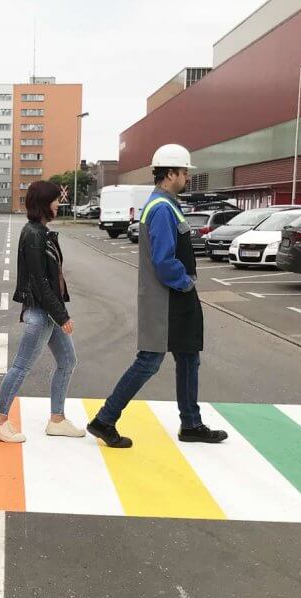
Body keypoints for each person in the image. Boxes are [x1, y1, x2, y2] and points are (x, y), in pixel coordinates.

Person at [87, 145, 228, 448]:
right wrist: (186, 283)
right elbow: (164, 261)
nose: (187, 177)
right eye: (184, 172)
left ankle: (191, 423)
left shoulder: (164, 204)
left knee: (189, 357)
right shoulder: (162, 208)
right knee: (149, 361)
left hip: (172, 298)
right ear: (171, 173)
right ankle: (105, 419)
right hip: (168, 298)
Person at [0, 181, 84, 443]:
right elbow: (40, 282)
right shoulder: (33, 234)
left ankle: (57, 420)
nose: (58, 204)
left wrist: (58, 313)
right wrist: (62, 316)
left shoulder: (41, 231)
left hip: (48, 312)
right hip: (41, 314)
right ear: (43, 203)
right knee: (21, 366)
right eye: (54, 200)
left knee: (67, 361)